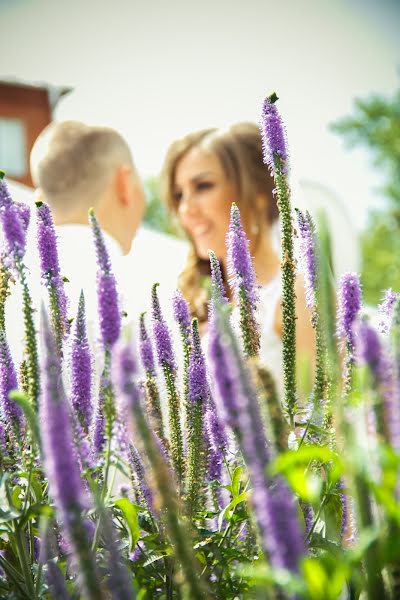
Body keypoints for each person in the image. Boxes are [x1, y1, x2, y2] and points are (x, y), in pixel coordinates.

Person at [160, 122, 315, 395]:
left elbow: (328, 421)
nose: (185, 208)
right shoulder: (188, 302)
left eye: (203, 186)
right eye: (178, 195)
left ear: (258, 194)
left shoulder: (298, 297)